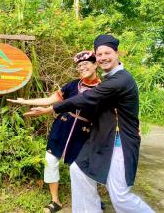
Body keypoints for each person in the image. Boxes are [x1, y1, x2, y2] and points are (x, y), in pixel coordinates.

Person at [24, 34, 154, 213]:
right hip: (101, 136)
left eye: (107, 53)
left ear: (117, 53)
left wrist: (51, 109)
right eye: (99, 54)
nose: (103, 58)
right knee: (78, 170)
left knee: (120, 196)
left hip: (119, 140)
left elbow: (86, 99)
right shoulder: (107, 79)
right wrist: (32, 102)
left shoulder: (119, 79)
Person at [8, 51, 100, 212]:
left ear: (95, 64)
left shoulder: (104, 89)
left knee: (81, 168)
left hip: (84, 132)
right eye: (79, 66)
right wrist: (25, 101)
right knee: (50, 161)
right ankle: (55, 201)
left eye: (85, 64)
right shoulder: (72, 85)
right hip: (62, 126)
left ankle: (92, 199)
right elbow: (50, 100)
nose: (82, 68)